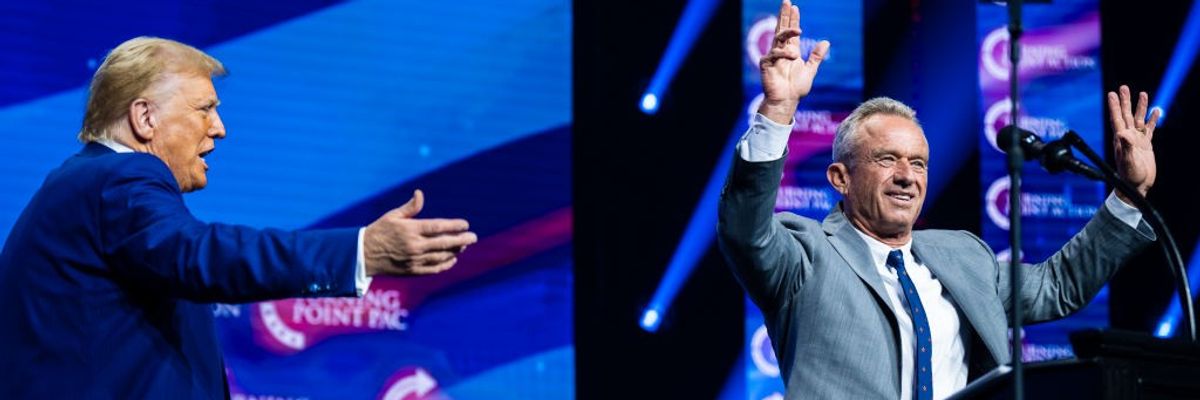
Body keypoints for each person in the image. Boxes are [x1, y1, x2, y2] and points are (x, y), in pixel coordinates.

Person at [717, 1, 1159, 398]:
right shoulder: (805, 255)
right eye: (887, 159)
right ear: (840, 178)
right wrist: (777, 111)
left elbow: (1059, 286)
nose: (907, 176)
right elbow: (746, 231)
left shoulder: (965, 257)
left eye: (919, 163)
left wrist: (1128, 193)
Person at [0, 37, 478, 398]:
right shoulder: (119, 177)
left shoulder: (82, 184)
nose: (220, 128)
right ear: (145, 118)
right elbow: (199, 255)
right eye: (205, 109)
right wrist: (360, 251)